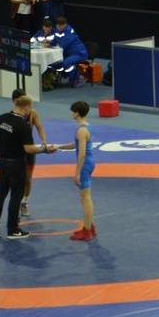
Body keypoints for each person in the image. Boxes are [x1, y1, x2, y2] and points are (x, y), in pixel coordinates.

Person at [0, 94, 55, 239]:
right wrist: (45, 150)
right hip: (17, 163)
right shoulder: (23, 124)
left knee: (0, 192)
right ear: (26, 107)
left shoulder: (2, 117)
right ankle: (13, 229)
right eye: (30, 107)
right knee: (16, 195)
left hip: (3, 161)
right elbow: (28, 149)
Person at [62, 100, 97, 241]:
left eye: (73, 111)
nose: (72, 113)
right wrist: (58, 147)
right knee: (85, 197)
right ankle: (90, 226)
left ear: (77, 113)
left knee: (85, 197)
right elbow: (75, 145)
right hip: (90, 162)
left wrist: (77, 173)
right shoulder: (87, 126)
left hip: (85, 164)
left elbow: (81, 153)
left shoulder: (81, 131)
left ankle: (87, 231)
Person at [13, 89, 48, 218]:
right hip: (16, 151)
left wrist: (43, 140)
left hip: (29, 150)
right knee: (16, 179)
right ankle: (15, 204)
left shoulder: (32, 113)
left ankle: (24, 202)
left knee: (27, 178)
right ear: (15, 101)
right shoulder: (10, 115)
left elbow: (39, 127)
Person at [49, 16, 89, 86]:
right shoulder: (56, 31)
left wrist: (54, 46)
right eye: (58, 25)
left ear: (65, 24)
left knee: (66, 63)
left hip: (79, 54)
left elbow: (63, 45)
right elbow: (54, 40)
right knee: (54, 62)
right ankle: (62, 76)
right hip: (68, 54)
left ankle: (78, 78)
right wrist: (49, 44)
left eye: (62, 25)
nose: (60, 27)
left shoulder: (69, 31)